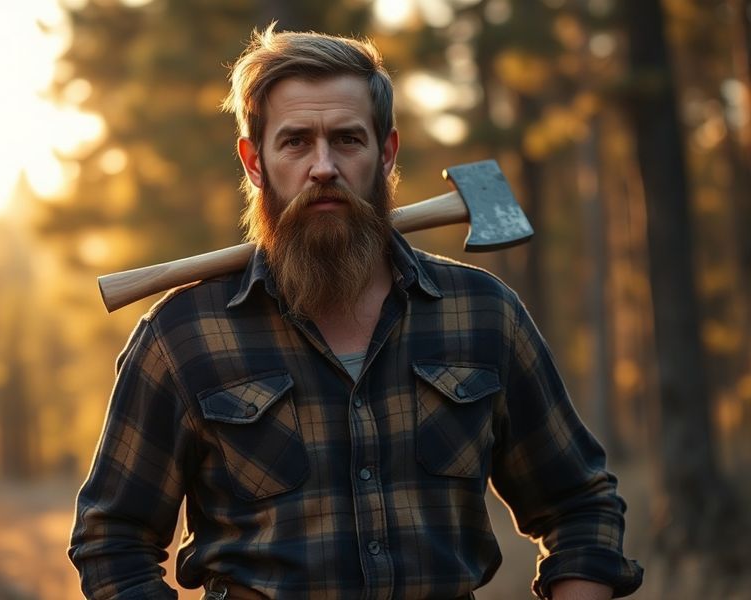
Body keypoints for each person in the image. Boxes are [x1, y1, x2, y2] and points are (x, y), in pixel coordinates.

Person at [69, 25, 643, 600]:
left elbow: (580, 505)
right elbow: (112, 541)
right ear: (254, 162)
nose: (323, 167)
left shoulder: (484, 315)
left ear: (385, 153)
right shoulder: (183, 336)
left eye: (347, 139)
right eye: (295, 142)